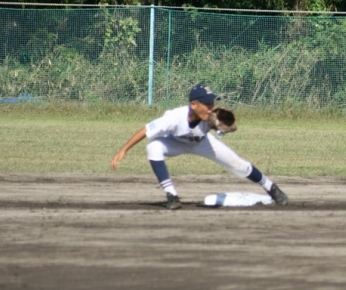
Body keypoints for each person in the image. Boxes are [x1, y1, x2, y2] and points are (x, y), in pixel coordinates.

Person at [111, 83, 289, 209]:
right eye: (207, 103)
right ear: (193, 104)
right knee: (153, 147)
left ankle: (271, 188)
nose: (211, 107)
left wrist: (226, 125)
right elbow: (146, 130)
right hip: (176, 143)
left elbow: (233, 127)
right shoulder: (174, 117)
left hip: (202, 143)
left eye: (212, 103)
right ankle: (171, 195)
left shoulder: (211, 117)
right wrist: (123, 150)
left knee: (238, 164)